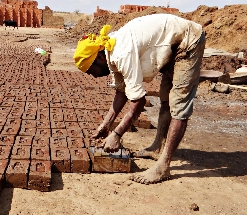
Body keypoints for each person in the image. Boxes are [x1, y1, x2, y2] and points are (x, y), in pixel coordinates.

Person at [73, 14, 205, 184]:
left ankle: (163, 166)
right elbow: (121, 92)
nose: (93, 76)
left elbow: (139, 101)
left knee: (179, 104)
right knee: (166, 99)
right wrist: (105, 125)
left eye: (91, 71)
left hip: (188, 41)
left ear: (98, 58)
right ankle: (157, 147)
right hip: (172, 43)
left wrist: (116, 134)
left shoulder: (121, 53)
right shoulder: (110, 50)